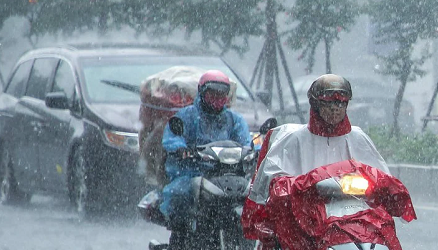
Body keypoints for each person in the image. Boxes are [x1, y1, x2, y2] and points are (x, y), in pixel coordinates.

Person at [246, 74, 388, 209]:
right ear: (315, 104)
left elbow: (382, 180)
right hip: (304, 215)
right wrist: (304, 185)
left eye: (340, 102)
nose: (334, 108)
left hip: (355, 215)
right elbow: (272, 182)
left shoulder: (358, 138)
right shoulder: (293, 139)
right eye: (328, 102)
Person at [160, 70, 251, 228]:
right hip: (192, 172)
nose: (217, 98)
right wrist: (182, 149)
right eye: (212, 94)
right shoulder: (186, 116)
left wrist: (254, 151)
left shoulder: (234, 120)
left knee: (254, 196)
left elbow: (246, 143)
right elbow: (172, 137)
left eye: (221, 94)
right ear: (202, 92)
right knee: (179, 194)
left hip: (227, 174)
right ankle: (179, 238)